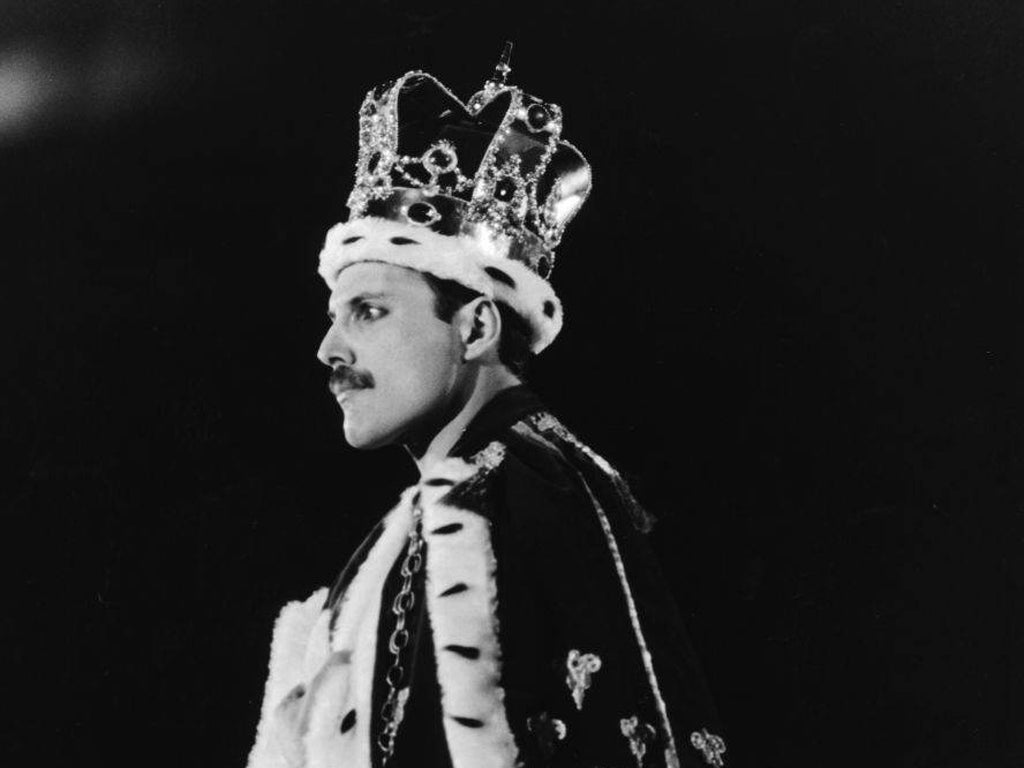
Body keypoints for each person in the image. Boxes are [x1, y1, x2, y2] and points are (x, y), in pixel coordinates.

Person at [246, 49, 728, 768]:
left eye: (368, 312)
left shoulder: (523, 492)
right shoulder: (480, 492)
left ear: (475, 327)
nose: (328, 349)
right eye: (334, 314)